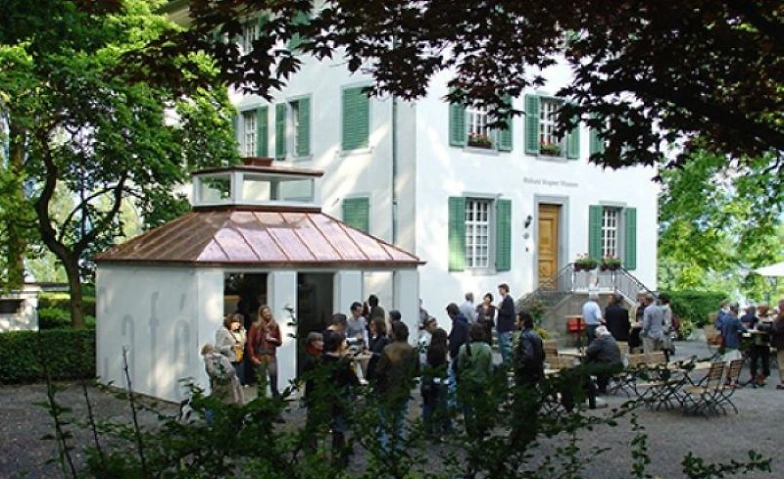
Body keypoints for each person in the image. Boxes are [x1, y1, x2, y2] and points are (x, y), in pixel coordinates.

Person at [373, 320, 419, 451]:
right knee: (400, 420)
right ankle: (399, 448)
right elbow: (416, 371)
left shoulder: (388, 349)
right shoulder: (412, 350)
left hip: (386, 388)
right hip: (403, 387)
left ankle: (384, 449)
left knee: (384, 421)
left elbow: (379, 371)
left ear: (394, 333)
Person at [319, 330, 360, 468]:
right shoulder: (342, 362)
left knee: (326, 426)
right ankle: (339, 457)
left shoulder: (323, 359)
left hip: (326, 395)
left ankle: (324, 455)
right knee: (339, 427)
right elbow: (353, 380)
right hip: (340, 396)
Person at [457, 323, 494, 435]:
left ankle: (470, 429)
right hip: (482, 380)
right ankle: (482, 427)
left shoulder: (464, 348)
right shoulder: (487, 348)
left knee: (467, 407)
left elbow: (460, 366)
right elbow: (490, 368)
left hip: (467, 381)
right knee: (481, 405)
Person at [247, 305, 283, 398]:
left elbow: (279, 342)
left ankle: (276, 401)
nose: (267, 314)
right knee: (261, 382)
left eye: (268, 312)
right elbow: (250, 342)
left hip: (271, 356)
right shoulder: (256, 326)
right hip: (260, 355)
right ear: (261, 315)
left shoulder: (275, 326)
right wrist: (252, 357)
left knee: (273, 380)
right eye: (265, 313)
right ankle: (262, 402)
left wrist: (272, 339)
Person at [421, 327, 450, 438]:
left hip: (430, 379)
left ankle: (427, 429)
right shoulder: (443, 350)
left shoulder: (430, 349)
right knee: (441, 404)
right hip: (441, 381)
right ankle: (441, 428)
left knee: (428, 405)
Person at [301, 331, 324, 452]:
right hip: (313, 392)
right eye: (319, 341)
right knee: (313, 420)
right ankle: (310, 446)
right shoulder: (310, 359)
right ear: (313, 343)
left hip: (318, 391)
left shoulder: (319, 356)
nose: (322, 343)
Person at [584, 325, 623, 394]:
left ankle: (590, 388)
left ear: (598, 334)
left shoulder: (600, 340)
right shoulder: (612, 338)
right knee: (600, 367)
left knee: (585, 369)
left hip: (607, 366)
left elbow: (589, 351)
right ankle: (602, 387)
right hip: (617, 365)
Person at [514, 311, 545, 388]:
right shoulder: (536, 335)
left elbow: (528, 356)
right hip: (537, 372)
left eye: (517, 321)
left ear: (522, 322)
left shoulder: (524, 337)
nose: (515, 323)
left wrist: (519, 366)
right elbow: (542, 354)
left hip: (527, 375)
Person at [215, 313, 247, 385]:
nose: (238, 325)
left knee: (239, 383)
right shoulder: (223, 331)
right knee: (231, 384)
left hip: (239, 359)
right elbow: (217, 348)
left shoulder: (236, 331)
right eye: (235, 323)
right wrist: (230, 347)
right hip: (229, 361)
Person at [747, 304, 771, 387]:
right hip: (755, 341)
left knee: (765, 362)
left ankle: (762, 377)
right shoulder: (755, 318)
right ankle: (754, 376)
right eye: (759, 308)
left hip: (765, 342)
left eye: (762, 309)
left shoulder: (769, 319)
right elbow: (750, 328)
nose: (760, 310)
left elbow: (771, 329)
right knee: (754, 360)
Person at [496, 283, 516, 368]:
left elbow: (508, 313)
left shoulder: (509, 300)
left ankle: (508, 364)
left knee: (506, 346)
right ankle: (505, 364)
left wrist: (499, 309)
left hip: (505, 328)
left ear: (505, 290)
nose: (499, 292)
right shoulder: (504, 300)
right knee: (502, 347)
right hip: (501, 327)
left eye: (501, 290)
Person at [366, 317, 390, 381]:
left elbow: (384, 355)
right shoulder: (372, 338)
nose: (370, 327)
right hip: (372, 366)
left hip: (378, 367)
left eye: (372, 325)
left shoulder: (384, 340)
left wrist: (372, 354)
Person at [768, 300, 784, 390]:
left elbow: (779, 329)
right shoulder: (779, 317)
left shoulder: (781, 317)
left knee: (782, 364)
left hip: (781, 343)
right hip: (780, 343)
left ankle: (783, 382)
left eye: (780, 307)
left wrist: (772, 327)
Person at [659, 293, 674, 358]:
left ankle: (666, 360)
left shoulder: (664, 309)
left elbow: (666, 320)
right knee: (665, 348)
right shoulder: (667, 308)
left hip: (663, 329)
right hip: (665, 329)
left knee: (663, 348)